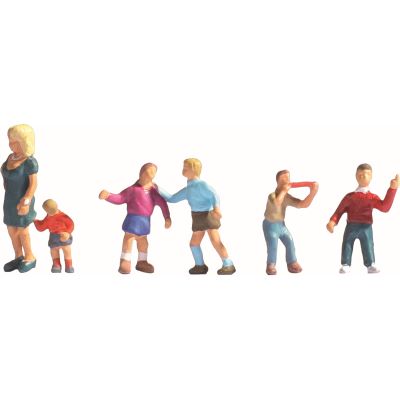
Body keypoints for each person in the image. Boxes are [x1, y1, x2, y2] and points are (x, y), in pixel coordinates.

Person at [159, 158, 236, 275]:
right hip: (197, 217)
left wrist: (216, 208)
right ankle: (200, 265)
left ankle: (228, 264)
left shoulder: (201, 185)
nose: (183, 169)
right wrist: (157, 188)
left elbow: (214, 194)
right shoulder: (188, 189)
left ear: (194, 170)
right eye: (183, 167)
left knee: (215, 241)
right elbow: (172, 198)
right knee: (194, 243)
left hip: (208, 216)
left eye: (186, 167)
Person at [99, 163, 171, 274]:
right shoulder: (132, 190)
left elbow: (162, 203)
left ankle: (142, 261)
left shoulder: (153, 192)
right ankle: (125, 261)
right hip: (133, 220)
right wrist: (108, 196)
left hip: (145, 221)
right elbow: (120, 198)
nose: (152, 174)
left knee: (144, 242)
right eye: (150, 171)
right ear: (142, 173)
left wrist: (167, 217)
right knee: (129, 239)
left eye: (154, 172)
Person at [327, 163, 399, 273]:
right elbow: (339, 211)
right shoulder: (349, 197)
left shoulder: (372, 197)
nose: (363, 176)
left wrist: (392, 189)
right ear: (356, 176)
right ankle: (345, 264)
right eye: (360, 174)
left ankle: (370, 264)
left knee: (368, 245)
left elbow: (385, 207)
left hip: (366, 227)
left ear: (371, 176)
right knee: (347, 243)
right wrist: (332, 221)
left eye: (367, 174)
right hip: (351, 226)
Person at [263, 170, 318, 275]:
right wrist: (284, 190)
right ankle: (271, 264)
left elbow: (303, 204)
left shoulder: (287, 197)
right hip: (270, 225)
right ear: (277, 182)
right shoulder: (272, 196)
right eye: (283, 179)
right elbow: (277, 203)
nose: (286, 181)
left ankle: (292, 262)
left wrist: (313, 192)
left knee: (290, 241)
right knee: (273, 245)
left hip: (281, 225)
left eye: (288, 178)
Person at [2, 124, 38, 273]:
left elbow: (33, 184)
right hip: (10, 200)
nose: (11, 145)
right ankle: (18, 256)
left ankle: (30, 257)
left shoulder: (29, 161)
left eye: (15, 142)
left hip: (23, 201)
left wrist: (27, 201)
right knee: (11, 229)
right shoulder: (10, 158)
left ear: (25, 142)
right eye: (10, 141)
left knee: (22, 230)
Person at [34, 199, 75, 273]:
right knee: (53, 251)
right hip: (53, 237)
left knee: (67, 249)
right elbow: (42, 226)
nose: (50, 213)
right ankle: (56, 265)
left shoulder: (63, 216)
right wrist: (36, 222)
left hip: (63, 235)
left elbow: (71, 224)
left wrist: (67, 233)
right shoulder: (48, 217)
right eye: (48, 211)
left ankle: (69, 265)